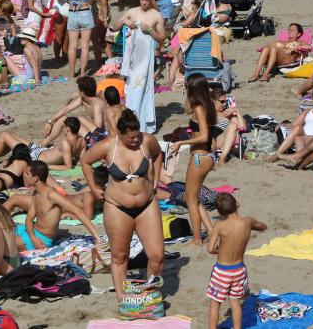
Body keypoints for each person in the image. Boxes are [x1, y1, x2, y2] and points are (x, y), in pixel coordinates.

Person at [81, 110, 164, 301]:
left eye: (137, 136)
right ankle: (123, 300)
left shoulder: (147, 141)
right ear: (120, 133)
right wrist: (94, 187)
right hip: (117, 207)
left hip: (147, 204)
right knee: (120, 257)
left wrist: (156, 180)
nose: (135, 141)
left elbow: (158, 154)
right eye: (131, 138)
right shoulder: (108, 146)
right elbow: (85, 161)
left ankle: (150, 296)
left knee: (157, 255)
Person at [171, 74, 220, 246]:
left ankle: (197, 239)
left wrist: (182, 142)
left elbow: (204, 136)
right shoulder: (208, 106)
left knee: (190, 200)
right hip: (206, 156)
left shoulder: (200, 108)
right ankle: (212, 231)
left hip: (200, 157)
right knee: (194, 197)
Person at [206, 194, 267, 329]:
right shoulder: (247, 222)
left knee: (215, 302)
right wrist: (259, 226)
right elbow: (262, 226)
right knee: (235, 302)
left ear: (219, 212)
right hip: (239, 270)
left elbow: (210, 249)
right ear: (237, 204)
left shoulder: (219, 225)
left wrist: (220, 250)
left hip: (222, 270)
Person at [115, 0, 167, 133]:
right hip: (132, 58)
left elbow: (162, 38)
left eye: (146, 0)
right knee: (130, 89)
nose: (143, 2)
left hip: (145, 59)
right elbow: (114, 27)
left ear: (151, 0)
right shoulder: (132, 12)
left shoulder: (156, 16)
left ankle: (140, 124)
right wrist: (125, 22)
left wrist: (150, 30)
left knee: (141, 89)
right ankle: (131, 121)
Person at [16, 161, 101, 251]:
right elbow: (29, 219)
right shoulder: (37, 193)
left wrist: (96, 237)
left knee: (5, 245)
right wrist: (32, 237)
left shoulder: (51, 194)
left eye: (27, 173)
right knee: (4, 232)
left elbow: (78, 211)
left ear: (36, 178)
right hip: (32, 232)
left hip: (42, 239)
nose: (24, 176)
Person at [0, 117, 86, 171]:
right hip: (40, 151)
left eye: (64, 127)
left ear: (67, 129)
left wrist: (47, 166)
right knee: (10, 135)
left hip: (35, 157)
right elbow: (82, 161)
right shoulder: (82, 141)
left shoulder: (65, 143)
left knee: (4, 136)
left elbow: (68, 166)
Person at [65, 0, 95, 77]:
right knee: (85, 46)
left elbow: (68, 0)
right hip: (85, 13)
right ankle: (82, 73)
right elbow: (91, 1)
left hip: (72, 14)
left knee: (72, 46)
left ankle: (72, 72)